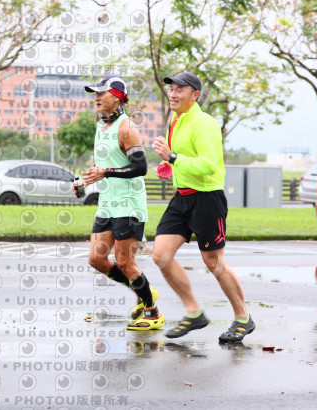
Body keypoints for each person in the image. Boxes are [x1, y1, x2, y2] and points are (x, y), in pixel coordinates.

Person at [151, 71, 254, 342]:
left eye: (180, 89)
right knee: (161, 256)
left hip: (207, 199)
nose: (173, 94)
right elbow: (182, 159)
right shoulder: (176, 119)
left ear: (195, 95)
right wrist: (168, 164)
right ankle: (193, 312)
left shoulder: (204, 123)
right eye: (171, 89)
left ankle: (243, 317)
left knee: (214, 263)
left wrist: (173, 157)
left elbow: (209, 165)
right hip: (181, 198)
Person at [76, 75, 164, 331]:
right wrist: (85, 181)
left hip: (128, 204)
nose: (96, 98)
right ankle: (144, 289)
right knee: (96, 259)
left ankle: (153, 312)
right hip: (107, 204)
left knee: (125, 263)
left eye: (101, 93)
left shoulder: (127, 128)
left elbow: (140, 167)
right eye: (95, 93)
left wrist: (106, 172)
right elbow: (105, 165)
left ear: (117, 97)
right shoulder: (101, 126)